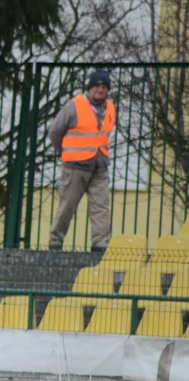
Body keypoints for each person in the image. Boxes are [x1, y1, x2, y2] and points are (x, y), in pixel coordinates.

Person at [48, 69, 116, 251]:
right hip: (75, 166)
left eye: (104, 87)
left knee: (101, 207)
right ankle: (55, 242)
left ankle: (100, 245)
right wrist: (64, 152)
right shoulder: (74, 105)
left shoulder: (110, 107)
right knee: (67, 206)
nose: (100, 90)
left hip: (100, 166)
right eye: (97, 86)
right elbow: (54, 131)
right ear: (89, 87)